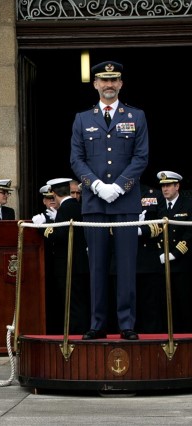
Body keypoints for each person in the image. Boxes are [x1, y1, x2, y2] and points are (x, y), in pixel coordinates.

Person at [70, 60, 149, 341]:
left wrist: (119, 186)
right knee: (97, 266)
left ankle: (127, 324)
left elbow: (141, 158)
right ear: (95, 85)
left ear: (121, 84)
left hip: (125, 203)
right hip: (95, 203)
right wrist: (97, 186)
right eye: (104, 81)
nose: (109, 85)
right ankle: (97, 323)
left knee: (127, 264)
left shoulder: (136, 116)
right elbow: (76, 159)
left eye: (114, 80)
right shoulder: (83, 118)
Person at [43, 178, 90, 335]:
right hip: (78, 264)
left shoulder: (66, 208)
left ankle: (76, 334)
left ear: (54, 193)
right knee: (78, 301)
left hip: (69, 264)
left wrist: (42, 227)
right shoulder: (75, 205)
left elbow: (60, 235)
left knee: (73, 303)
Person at [156, 171, 192, 333]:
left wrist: (175, 254)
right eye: (163, 186)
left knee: (184, 302)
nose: (165, 189)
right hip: (161, 261)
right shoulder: (159, 205)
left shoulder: (188, 204)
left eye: (169, 185)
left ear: (177, 186)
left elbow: (190, 233)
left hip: (182, 262)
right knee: (164, 304)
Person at [135, 183, 166, 333]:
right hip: (121, 259)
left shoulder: (153, 194)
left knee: (151, 306)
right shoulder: (114, 193)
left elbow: (163, 223)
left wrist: (141, 230)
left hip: (148, 258)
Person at [31, 184, 59, 334]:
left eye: (54, 197)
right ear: (44, 201)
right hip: (47, 264)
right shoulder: (40, 218)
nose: (52, 201)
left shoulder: (66, 213)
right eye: (48, 198)